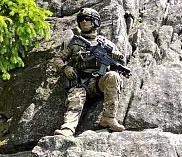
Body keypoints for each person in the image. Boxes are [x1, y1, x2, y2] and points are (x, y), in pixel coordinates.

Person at [54, 8, 129, 137]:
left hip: (100, 82)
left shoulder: (107, 44)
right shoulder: (74, 43)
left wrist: (117, 57)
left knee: (114, 76)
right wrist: (65, 68)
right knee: (75, 99)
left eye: (87, 19)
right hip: (80, 82)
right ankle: (68, 128)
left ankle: (108, 118)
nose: (83, 21)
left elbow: (121, 63)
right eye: (81, 19)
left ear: (95, 22)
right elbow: (57, 59)